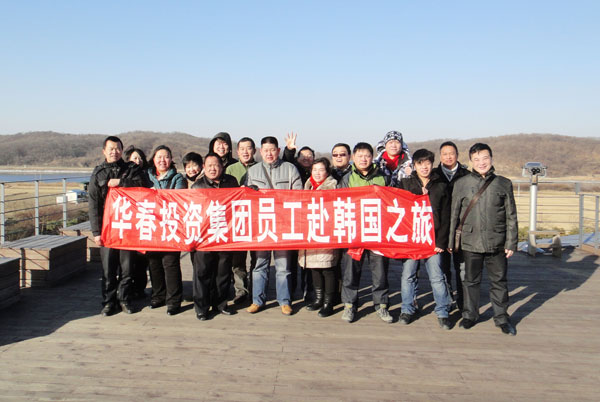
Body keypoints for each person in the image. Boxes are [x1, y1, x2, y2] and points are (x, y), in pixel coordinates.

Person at [449, 143, 518, 336]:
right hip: (470, 241)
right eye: (477, 159)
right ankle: (470, 315)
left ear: (492, 159)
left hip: (497, 241)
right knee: (470, 281)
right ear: (471, 161)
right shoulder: (461, 183)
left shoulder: (503, 183)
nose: (481, 163)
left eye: (485, 158)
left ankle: (502, 318)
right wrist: (450, 242)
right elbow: (454, 215)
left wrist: (511, 242)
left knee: (499, 281)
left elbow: (511, 215)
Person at [88, 136, 147, 316]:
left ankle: (124, 299)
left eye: (118, 148)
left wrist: (121, 182)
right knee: (108, 269)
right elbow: (93, 204)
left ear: (122, 150)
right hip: (107, 229)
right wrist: (96, 232)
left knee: (127, 268)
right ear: (104, 151)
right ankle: (108, 302)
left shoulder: (131, 169)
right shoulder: (98, 173)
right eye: (111, 149)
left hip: (128, 227)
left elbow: (143, 185)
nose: (115, 152)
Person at [245, 136, 303, 316]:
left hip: (283, 225)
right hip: (262, 225)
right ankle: (257, 300)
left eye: (272, 150)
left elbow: (299, 195)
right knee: (259, 265)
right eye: (265, 150)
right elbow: (245, 196)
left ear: (278, 151)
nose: (269, 153)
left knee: (283, 266)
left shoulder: (290, 169)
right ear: (260, 152)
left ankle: (284, 301)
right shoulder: (253, 171)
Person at [396, 149, 452, 330]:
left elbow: (446, 216)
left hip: (432, 240)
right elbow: (397, 209)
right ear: (414, 165)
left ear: (432, 164)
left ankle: (442, 312)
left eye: (428, 163)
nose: (424, 167)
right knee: (408, 275)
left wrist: (441, 242)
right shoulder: (405, 184)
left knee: (437, 277)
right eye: (420, 163)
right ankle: (407, 309)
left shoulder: (441, 184)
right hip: (412, 240)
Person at [338, 142, 392, 323]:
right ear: (353, 158)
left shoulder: (383, 177)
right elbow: (338, 202)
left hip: (377, 232)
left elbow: (392, 201)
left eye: (367, 155)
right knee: (350, 270)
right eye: (359, 156)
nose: (363, 159)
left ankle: (382, 305)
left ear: (372, 157)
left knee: (380, 271)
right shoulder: (347, 178)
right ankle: (349, 305)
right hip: (354, 232)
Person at [190, 153, 239, 320]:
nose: (213, 168)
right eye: (209, 165)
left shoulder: (231, 182)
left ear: (222, 166)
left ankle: (221, 303)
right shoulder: (197, 186)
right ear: (204, 167)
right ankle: (201, 307)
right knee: (202, 272)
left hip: (225, 234)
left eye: (216, 165)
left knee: (223, 271)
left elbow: (239, 202)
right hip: (204, 237)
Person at [146, 145, 187, 315]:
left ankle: (174, 300)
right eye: (159, 157)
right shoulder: (146, 177)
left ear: (171, 159)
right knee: (154, 263)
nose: (162, 160)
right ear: (153, 159)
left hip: (171, 227)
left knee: (170, 263)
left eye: (166, 157)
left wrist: (155, 195)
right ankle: (158, 295)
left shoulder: (178, 178)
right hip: (151, 226)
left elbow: (178, 199)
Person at [298, 158, 339, 317]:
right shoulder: (307, 185)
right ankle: (318, 298)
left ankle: (329, 302)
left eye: (321, 170)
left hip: (326, 233)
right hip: (310, 232)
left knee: (327, 268)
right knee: (314, 268)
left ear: (327, 172)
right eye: (314, 170)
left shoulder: (333, 186)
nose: (317, 173)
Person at [433, 141, 469, 310]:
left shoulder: (466, 175)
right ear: (440, 156)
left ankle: (463, 302)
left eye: (451, 153)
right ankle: (447, 301)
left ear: (457, 155)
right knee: (443, 269)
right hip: (440, 230)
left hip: (461, 229)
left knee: (462, 268)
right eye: (445, 154)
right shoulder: (433, 175)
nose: (448, 157)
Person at [282, 132, 315, 301]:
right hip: (293, 220)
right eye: (303, 156)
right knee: (292, 258)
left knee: (310, 258)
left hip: (312, 220)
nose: (306, 158)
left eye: (310, 156)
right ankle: (292, 289)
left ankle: (309, 290)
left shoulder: (318, 173)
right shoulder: (293, 170)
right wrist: (289, 150)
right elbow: (287, 162)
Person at [225, 137, 258, 304]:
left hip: (257, 219)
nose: (245, 151)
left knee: (258, 258)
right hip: (237, 219)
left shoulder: (260, 168)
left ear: (254, 150)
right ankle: (241, 290)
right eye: (242, 148)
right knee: (238, 259)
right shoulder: (231, 169)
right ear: (237, 152)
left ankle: (256, 289)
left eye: (249, 148)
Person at [123, 145, 150, 300]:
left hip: (144, 220)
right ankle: (127, 289)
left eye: (140, 158)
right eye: (134, 158)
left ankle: (139, 288)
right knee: (128, 260)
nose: (138, 161)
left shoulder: (147, 175)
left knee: (141, 259)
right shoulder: (124, 174)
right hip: (128, 221)